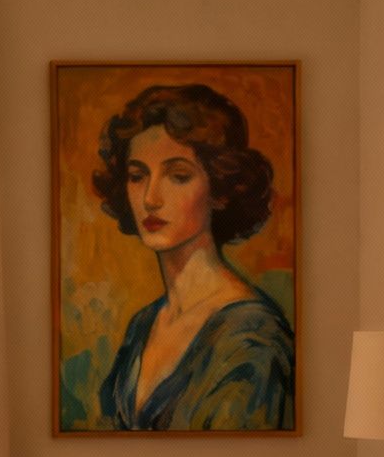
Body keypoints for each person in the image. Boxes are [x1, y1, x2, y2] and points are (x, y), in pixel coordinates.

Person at [90, 83, 293, 430]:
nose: (151, 198)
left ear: (220, 188)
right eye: (137, 176)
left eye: (178, 176)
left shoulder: (252, 338)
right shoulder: (143, 326)